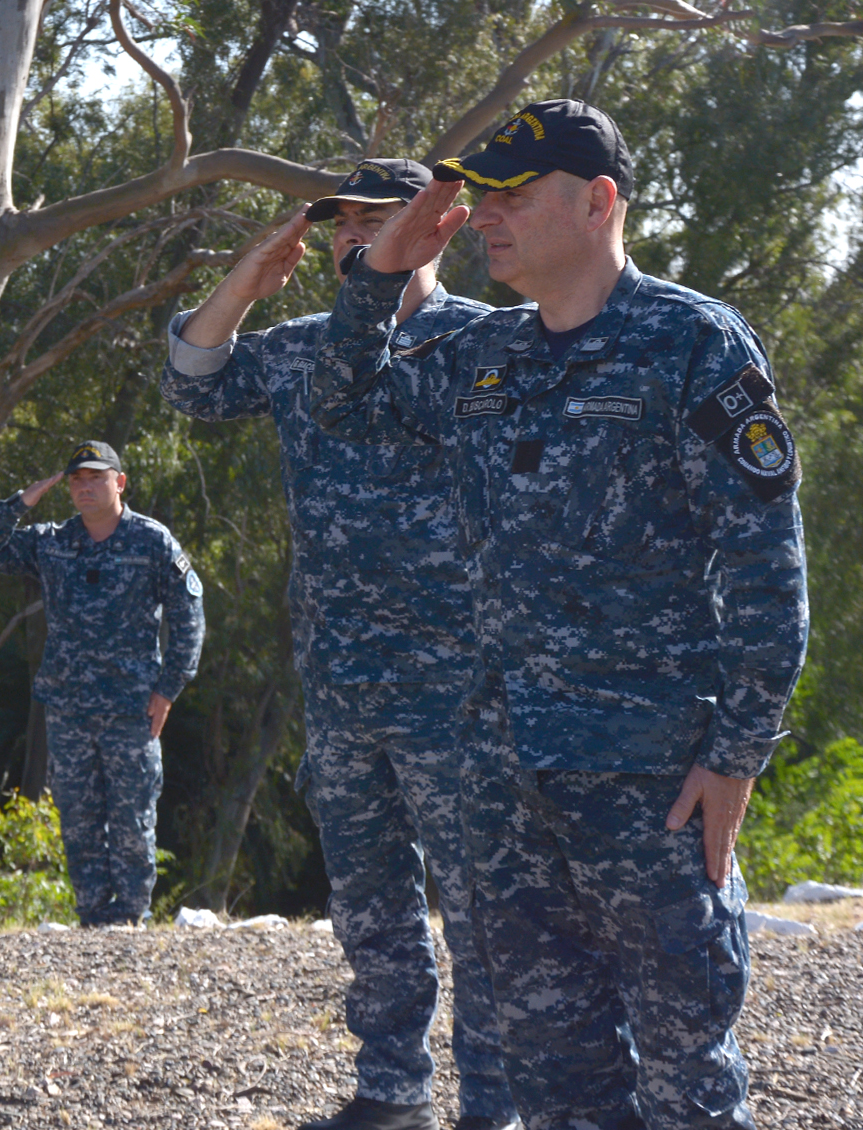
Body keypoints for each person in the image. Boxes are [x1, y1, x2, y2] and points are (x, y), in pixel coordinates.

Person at [311, 100, 807, 1129]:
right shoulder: (484, 355)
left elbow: (766, 569)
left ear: (598, 202)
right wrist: (380, 275)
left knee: (684, 1082)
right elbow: (341, 406)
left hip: (651, 782)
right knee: (555, 1080)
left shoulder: (691, 343)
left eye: (512, 196)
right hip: (504, 786)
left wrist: (739, 753)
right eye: (479, 196)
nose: (485, 215)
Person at [161, 160, 515, 1130]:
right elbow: (191, 384)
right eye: (342, 223)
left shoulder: (482, 342)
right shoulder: (302, 347)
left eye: (378, 219)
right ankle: (391, 1088)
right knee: (370, 902)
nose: (355, 236)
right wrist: (247, 278)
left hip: (459, 681)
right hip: (343, 679)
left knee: (484, 902)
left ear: (431, 226)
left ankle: (495, 1100)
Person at [0, 441, 204, 927]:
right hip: (69, 706)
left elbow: (190, 614)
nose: (85, 487)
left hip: (133, 707)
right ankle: (94, 917)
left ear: (119, 483)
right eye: (77, 480)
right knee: (77, 817)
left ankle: (131, 916)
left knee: (132, 817)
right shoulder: (51, 541)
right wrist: (21, 501)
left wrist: (169, 689)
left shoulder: (152, 542)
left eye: (96, 478)